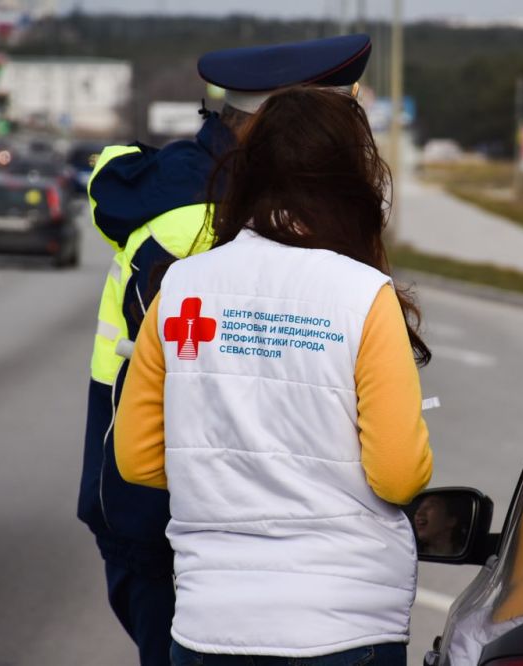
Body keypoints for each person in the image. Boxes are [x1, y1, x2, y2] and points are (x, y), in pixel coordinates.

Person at [75, 35, 374, 666]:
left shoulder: (187, 192)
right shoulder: (219, 222)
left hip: (158, 515)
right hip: (187, 532)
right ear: (278, 123)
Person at [114, 86, 433, 666]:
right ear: (350, 182)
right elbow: (396, 476)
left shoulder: (181, 289)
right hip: (344, 626)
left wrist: (219, 470)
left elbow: (137, 460)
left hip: (210, 623)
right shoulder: (363, 297)